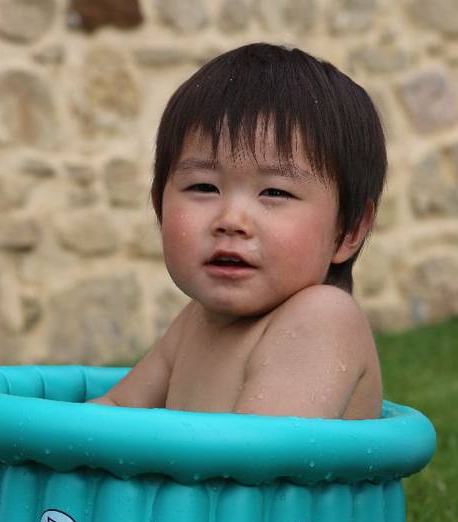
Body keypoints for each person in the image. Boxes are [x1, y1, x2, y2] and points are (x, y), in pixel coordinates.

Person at [88, 43, 386, 419]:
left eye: (275, 192)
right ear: (158, 205)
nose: (231, 219)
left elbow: (256, 460)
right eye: (203, 187)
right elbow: (112, 412)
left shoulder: (322, 318)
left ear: (349, 230)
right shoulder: (195, 322)